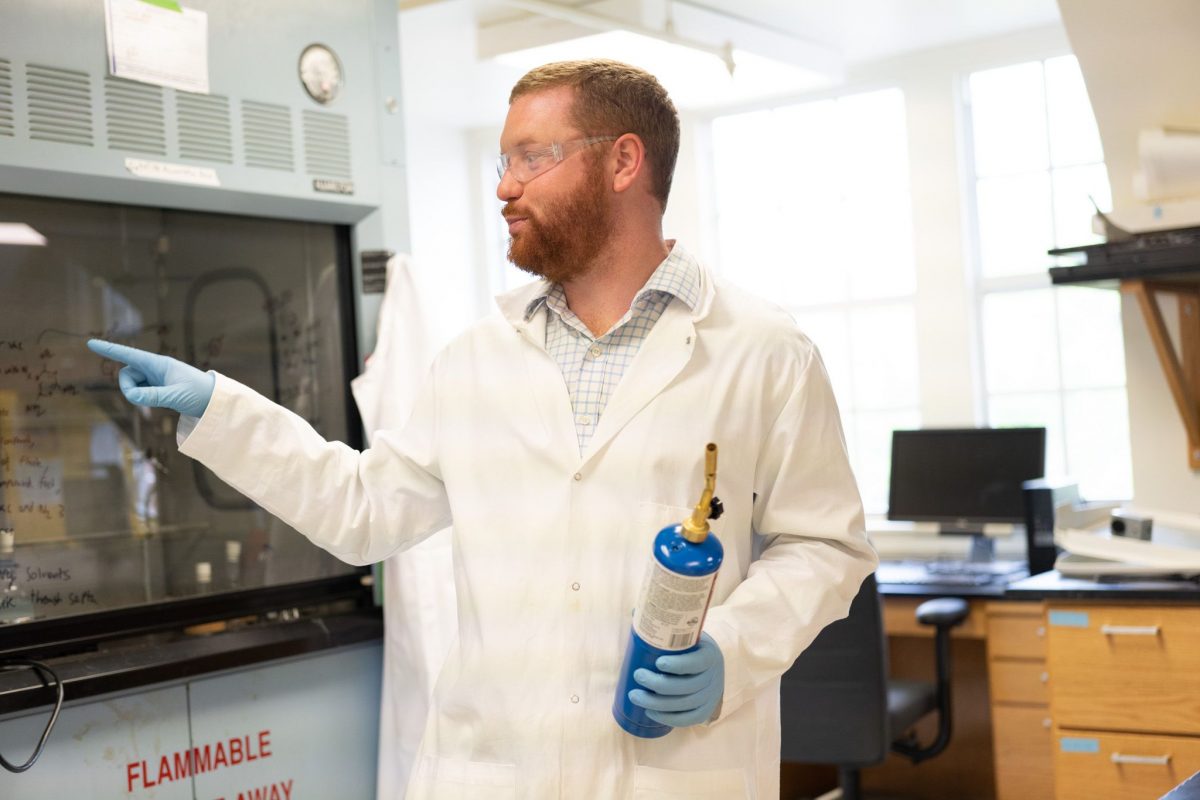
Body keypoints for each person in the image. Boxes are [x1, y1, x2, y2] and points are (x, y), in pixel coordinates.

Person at [89, 59, 877, 800]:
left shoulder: (763, 350)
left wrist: (732, 652)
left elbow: (827, 545)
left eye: (533, 157)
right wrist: (220, 412)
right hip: (499, 772)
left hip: (676, 770)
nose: (504, 187)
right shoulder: (474, 360)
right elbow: (362, 510)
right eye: (500, 162)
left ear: (623, 161)